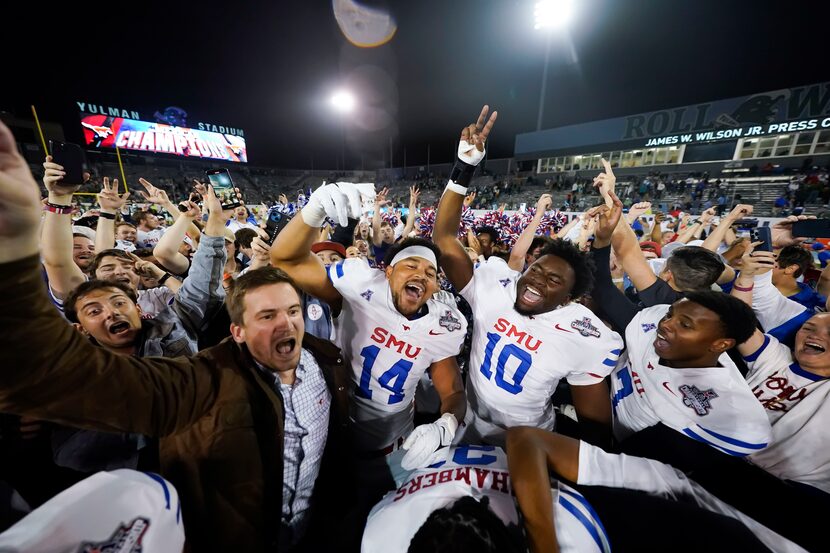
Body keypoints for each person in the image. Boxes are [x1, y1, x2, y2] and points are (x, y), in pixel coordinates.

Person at [0, 119, 353, 552]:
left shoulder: (326, 358)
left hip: (313, 529)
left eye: (294, 310)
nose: (287, 324)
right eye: (267, 315)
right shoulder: (205, 377)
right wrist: (39, 224)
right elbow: (80, 381)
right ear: (236, 330)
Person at [433, 107, 623, 447]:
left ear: (568, 299)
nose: (536, 280)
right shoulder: (497, 285)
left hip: (531, 441)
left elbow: (595, 429)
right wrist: (464, 168)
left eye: (553, 281)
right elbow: (445, 240)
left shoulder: (585, 332)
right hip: (469, 424)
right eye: (536, 270)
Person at [271, 182, 467, 499]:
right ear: (387, 271)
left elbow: (453, 391)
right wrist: (314, 210)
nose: (422, 275)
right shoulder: (359, 287)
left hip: (397, 451)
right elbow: (286, 260)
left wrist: (446, 423)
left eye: (431, 273)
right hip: (333, 438)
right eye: (412, 265)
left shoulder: (444, 325)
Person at [362, 430, 802, 553]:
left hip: (590, 501)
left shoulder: (573, 538)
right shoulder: (379, 534)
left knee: (691, 499)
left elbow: (523, 441)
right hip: (442, 465)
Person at [588, 194, 771, 458]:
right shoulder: (651, 317)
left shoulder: (737, 416)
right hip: (609, 436)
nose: (666, 324)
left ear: (721, 344)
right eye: (671, 314)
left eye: (684, 324)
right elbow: (602, 287)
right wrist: (602, 240)